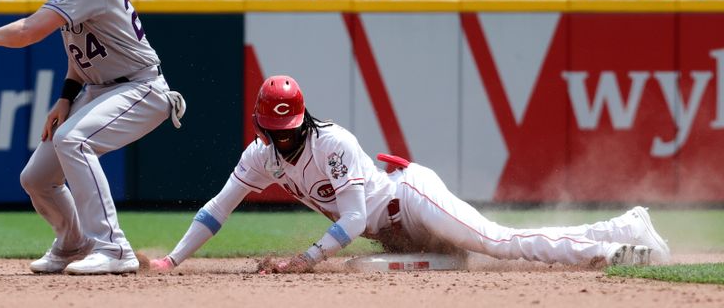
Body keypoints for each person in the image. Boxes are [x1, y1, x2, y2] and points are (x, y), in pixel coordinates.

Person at [148, 75, 671, 274]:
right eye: (276, 129)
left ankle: (617, 240)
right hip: (394, 229)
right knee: (475, 256)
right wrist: (172, 260)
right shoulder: (259, 156)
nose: (285, 136)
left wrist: (305, 261)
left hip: (411, 198)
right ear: (263, 125)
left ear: (303, 116)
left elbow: (352, 220)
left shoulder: (333, 143)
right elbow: (218, 208)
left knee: (499, 242)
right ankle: (622, 231)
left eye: (291, 126)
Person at [0, 0, 186, 275]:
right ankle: (73, 243)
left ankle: (113, 248)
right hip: (99, 88)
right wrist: (65, 98)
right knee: (35, 179)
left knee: (73, 141)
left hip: (142, 87)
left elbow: (30, 32)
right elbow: (78, 53)